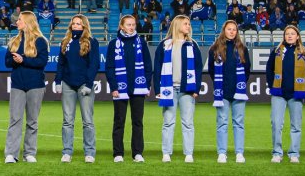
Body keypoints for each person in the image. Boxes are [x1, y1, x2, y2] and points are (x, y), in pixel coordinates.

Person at [152, 15, 203, 163]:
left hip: (187, 90)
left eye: (189, 24)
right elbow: (158, 67)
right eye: (186, 24)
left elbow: (198, 68)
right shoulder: (165, 44)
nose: (188, 26)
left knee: (188, 122)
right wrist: (158, 90)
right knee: (168, 122)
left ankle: (188, 153)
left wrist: (196, 88)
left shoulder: (193, 45)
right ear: (177, 25)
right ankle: (166, 153)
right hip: (169, 89)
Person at [266, 25, 305, 164]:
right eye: (287, 34)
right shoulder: (277, 51)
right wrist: (272, 85)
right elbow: (269, 69)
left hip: (296, 94)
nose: (289, 36)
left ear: (297, 36)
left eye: (292, 34)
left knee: (296, 125)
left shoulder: (303, 52)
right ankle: (277, 153)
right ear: (284, 36)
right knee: (276, 124)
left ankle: (294, 153)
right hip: (279, 93)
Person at [104, 14, 152, 163]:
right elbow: (110, 67)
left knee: (137, 121)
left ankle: (137, 153)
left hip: (138, 88)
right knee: (119, 121)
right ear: (121, 26)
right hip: (120, 88)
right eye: (128, 25)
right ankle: (118, 153)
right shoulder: (114, 44)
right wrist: (113, 86)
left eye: (133, 25)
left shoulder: (141, 42)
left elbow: (148, 65)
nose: (131, 27)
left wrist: (147, 84)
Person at [4, 11, 49, 164]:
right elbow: (7, 62)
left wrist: (23, 60)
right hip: (17, 84)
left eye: (20, 20)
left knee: (32, 121)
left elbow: (41, 62)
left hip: (35, 85)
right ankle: (11, 154)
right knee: (15, 120)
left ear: (28, 22)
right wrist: (15, 60)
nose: (17, 22)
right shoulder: (13, 41)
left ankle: (29, 153)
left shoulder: (41, 41)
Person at [56, 14, 99, 163]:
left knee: (87, 121)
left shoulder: (92, 42)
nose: (75, 26)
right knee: (67, 121)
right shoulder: (65, 42)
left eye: (79, 24)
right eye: (73, 23)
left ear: (84, 26)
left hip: (84, 85)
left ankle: (90, 153)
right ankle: (67, 152)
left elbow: (94, 65)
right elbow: (60, 64)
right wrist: (57, 81)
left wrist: (88, 84)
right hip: (68, 84)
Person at [208, 20, 252, 164]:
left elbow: (247, 70)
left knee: (238, 123)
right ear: (224, 30)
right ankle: (222, 153)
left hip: (238, 92)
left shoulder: (242, 49)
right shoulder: (214, 49)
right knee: (222, 123)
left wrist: (240, 85)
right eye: (229, 29)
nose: (232, 31)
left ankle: (239, 153)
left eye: (234, 29)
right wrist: (219, 85)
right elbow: (211, 70)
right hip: (222, 93)